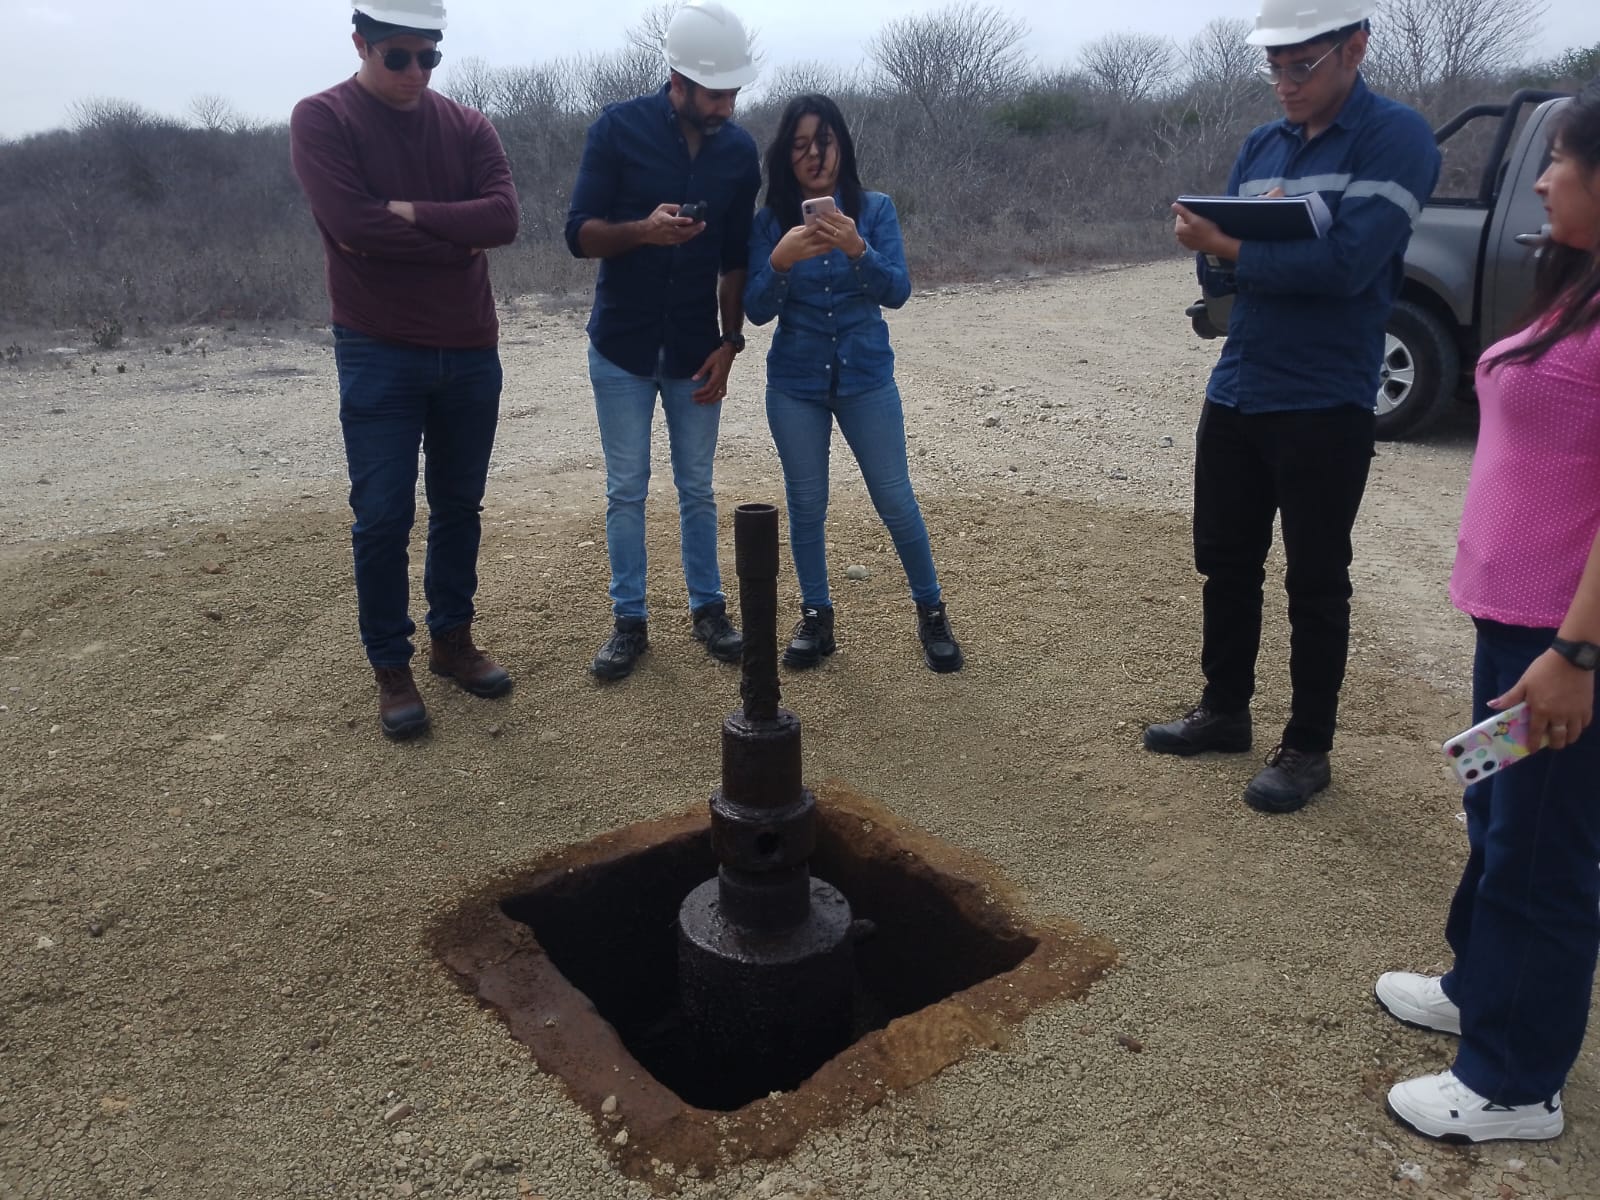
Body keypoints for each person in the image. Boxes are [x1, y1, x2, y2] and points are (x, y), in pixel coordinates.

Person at [1142, 0, 1440, 812]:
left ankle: (1308, 748)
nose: (1285, 83)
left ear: (1355, 47)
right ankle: (1224, 711)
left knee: (1316, 579)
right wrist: (1212, 250)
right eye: (1274, 66)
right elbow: (1224, 275)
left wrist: (1233, 244)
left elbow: (1348, 266)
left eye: (1301, 65)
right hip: (1240, 384)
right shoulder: (1262, 145)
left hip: (1324, 398)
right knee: (1226, 562)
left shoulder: (1396, 138)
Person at [1376, 81, 1600, 1144]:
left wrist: (1576, 654)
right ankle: (1480, 987)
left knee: (1542, 855)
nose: (1541, 180)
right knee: (1499, 820)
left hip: (1562, 641)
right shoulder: (1578, 282)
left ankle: (1515, 1083)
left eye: (1558, 160)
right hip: (1515, 623)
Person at [290, 0, 519, 741]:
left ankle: (452, 640)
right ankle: (392, 664)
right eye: (399, 56)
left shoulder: (469, 126)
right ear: (361, 43)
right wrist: (457, 236)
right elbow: (352, 225)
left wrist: (410, 216)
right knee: (384, 514)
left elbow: (503, 220)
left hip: (470, 346)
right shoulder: (322, 119)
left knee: (459, 505)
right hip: (377, 346)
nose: (416, 72)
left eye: (430, 57)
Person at [564, 0, 761, 681]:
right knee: (626, 489)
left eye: (734, 92)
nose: (728, 106)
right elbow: (578, 234)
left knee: (698, 487)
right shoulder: (617, 129)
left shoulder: (739, 152)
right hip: (620, 344)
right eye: (716, 94)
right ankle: (629, 622)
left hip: (694, 348)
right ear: (677, 81)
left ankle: (709, 611)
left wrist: (731, 341)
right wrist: (642, 232)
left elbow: (735, 258)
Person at [743, 95, 962, 673]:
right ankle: (817, 617)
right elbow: (756, 311)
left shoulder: (875, 209)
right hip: (795, 383)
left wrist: (857, 249)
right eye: (800, 145)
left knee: (895, 498)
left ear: (842, 147)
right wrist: (780, 261)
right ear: (785, 156)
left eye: (825, 142)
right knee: (806, 503)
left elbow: (898, 291)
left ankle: (931, 611)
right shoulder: (769, 223)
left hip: (866, 377)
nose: (814, 155)